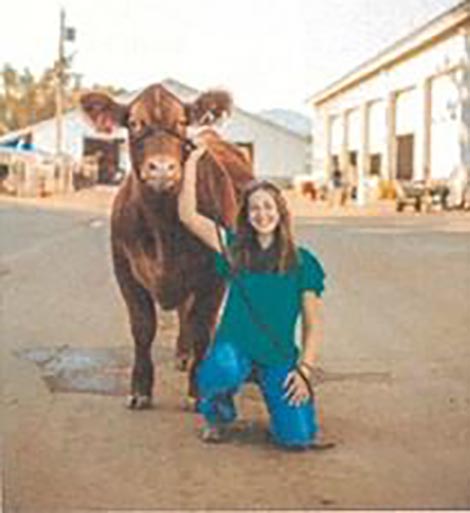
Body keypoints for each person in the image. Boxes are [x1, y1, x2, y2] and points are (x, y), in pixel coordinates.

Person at [178, 129, 331, 450]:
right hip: (235, 350)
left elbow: (314, 325)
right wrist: (191, 162)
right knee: (221, 369)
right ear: (246, 216)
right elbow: (188, 216)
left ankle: (281, 407)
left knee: (297, 439)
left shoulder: (302, 262)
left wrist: (304, 370)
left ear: (280, 213)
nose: (262, 215)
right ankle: (218, 415)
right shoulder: (233, 248)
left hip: (277, 356)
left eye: (268, 208)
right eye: (255, 209)